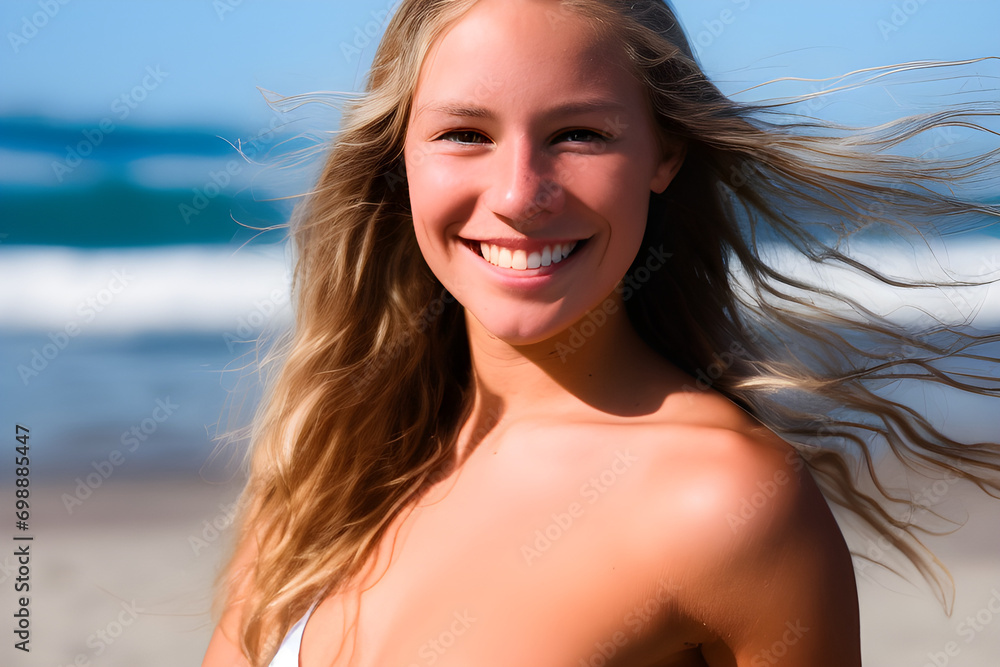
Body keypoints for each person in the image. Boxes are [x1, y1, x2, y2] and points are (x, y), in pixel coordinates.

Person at [201, 1, 1000, 665]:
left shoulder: (726, 502)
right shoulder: (330, 459)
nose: (519, 194)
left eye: (579, 134)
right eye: (465, 135)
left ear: (665, 150)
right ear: (398, 156)